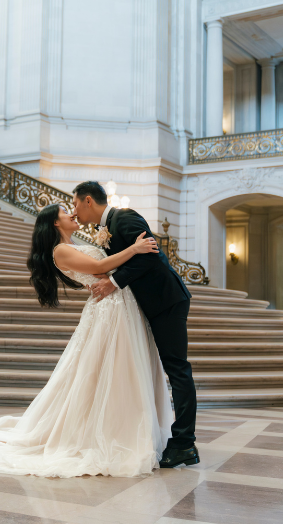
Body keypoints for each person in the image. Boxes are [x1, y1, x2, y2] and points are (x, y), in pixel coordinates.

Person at [0, 202, 171, 477]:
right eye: (66, 212)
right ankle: (112, 434)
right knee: (107, 370)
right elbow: (99, 267)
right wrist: (134, 249)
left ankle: (126, 427)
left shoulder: (73, 243)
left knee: (119, 370)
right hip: (108, 310)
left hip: (118, 304)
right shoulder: (60, 251)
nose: (72, 214)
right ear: (54, 222)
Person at [74, 180, 199, 468]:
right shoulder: (107, 227)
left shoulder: (124, 217)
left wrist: (114, 283)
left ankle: (184, 444)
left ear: (89, 201)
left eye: (76, 203)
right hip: (152, 303)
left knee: (177, 369)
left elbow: (150, 255)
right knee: (171, 368)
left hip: (166, 301)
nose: (75, 210)